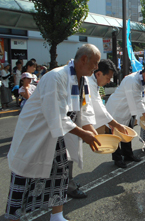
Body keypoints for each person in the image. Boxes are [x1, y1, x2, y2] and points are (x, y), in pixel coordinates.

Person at [5, 44, 101, 221]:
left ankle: (57, 215)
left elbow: (85, 111)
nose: (96, 67)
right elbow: (56, 115)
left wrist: (92, 132)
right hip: (36, 133)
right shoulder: (56, 77)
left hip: (57, 134)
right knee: (24, 175)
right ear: (84, 59)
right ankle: (14, 217)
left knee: (61, 170)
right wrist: (85, 136)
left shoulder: (84, 80)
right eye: (95, 63)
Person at [106, 63, 145, 168]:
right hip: (117, 109)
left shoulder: (142, 80)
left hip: (127, 110)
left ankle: (128, 155)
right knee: (115, 134)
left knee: (127, 132)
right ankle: (117, 159)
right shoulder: (132, 80)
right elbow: (137, 101)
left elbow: (140, 98)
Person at [86, 59, 128, 168]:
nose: (109, 81)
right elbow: (98, 108)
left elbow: (99, 107)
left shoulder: (93, 83)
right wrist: (116, 124)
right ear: (98, 73)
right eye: (108, 78)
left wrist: (110, 122)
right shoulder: (89, 83)